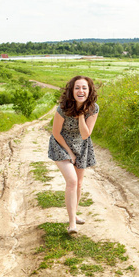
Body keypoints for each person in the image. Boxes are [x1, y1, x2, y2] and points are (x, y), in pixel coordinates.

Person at [48, 75, 99, 234]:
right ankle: (72, 224)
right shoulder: (62, 109)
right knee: (72, 180)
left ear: (89, 91)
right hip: (61, 145)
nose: (80, 90)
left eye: (84, 87)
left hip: (81, 145)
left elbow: (85, 135)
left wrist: (81, 115)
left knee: (79, 183)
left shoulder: (93, 108)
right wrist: (69, 153)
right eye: (77, 87)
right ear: (72, 90)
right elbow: (56, 133)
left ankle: (74, 215)